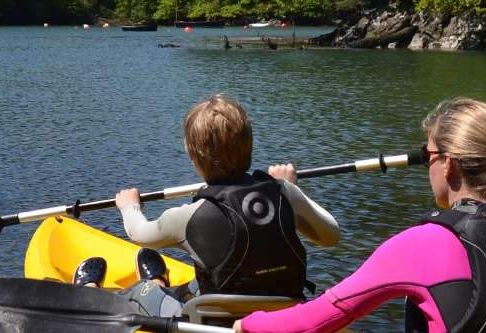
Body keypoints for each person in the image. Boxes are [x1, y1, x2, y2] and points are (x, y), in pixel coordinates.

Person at [234, 98, 486, 333]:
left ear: (448, 166)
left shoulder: (421, 245)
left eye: (428, 155)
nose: (426, 165)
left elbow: (320, 318)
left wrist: (248, 325)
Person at [72, 95, 342, 302]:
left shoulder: (188, 217)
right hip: (284, 309)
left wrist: (129, 206)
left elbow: (139, 234)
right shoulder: (284, 193)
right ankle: (159, 280)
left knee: (140, 299)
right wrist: (292, 189)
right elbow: (330, 236)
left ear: (192, 155)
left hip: (220, 321)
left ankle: (110, 290)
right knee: (193, 286)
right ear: (250, 145)